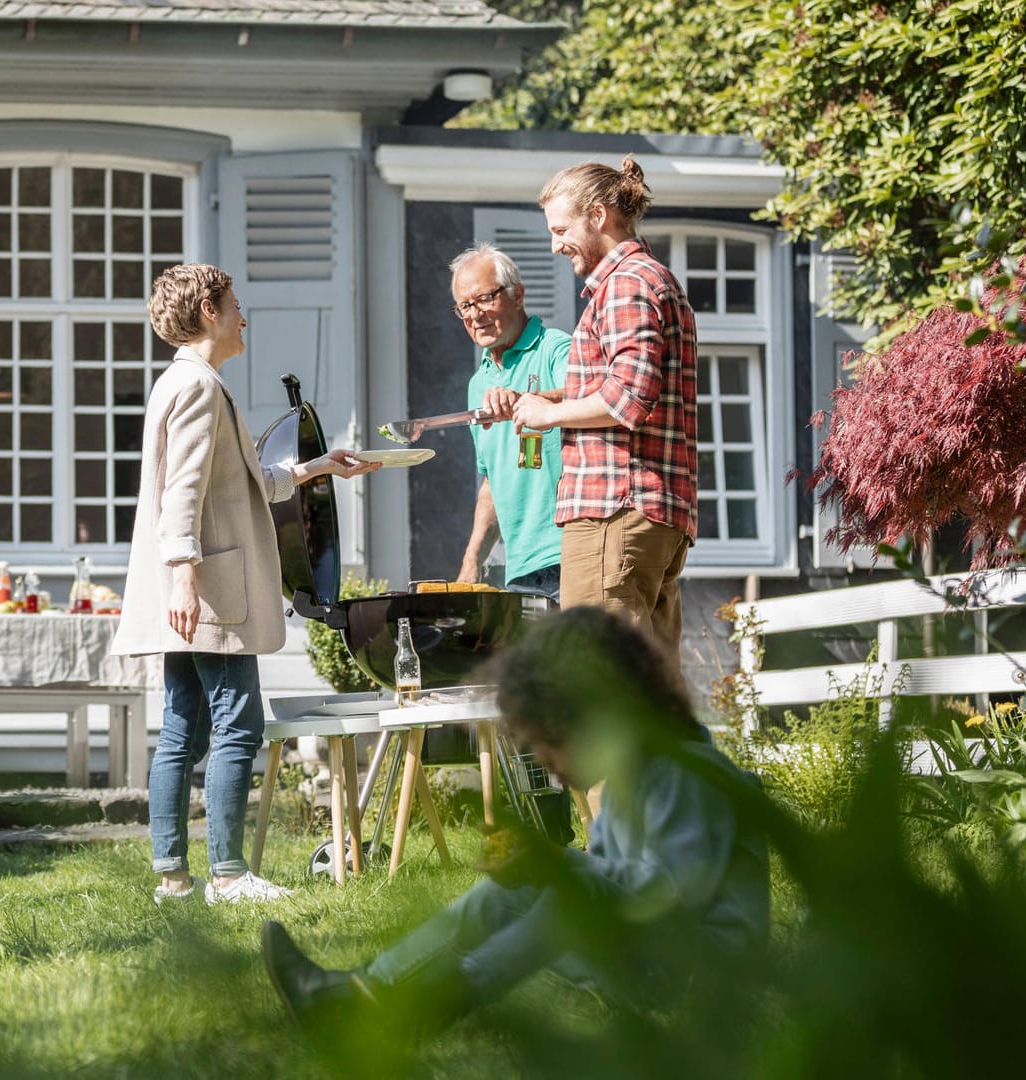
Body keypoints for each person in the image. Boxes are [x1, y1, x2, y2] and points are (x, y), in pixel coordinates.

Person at [262, 606, 770, 1061]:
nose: (548, 765)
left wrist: (563, 872)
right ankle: (362, 992)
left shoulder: (679, 776)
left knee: (565, 905)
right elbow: (618, 883)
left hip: (698, 979)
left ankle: (434, 1002)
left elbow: (659, 903)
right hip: (653, 958)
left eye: (547, 742)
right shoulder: (635, 775)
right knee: (516, 892)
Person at [112, 263, 378, 906]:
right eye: (235, 305)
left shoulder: (184, 381)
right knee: (238, 723)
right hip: (208, 585)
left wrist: (315, 468)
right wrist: (182, 579)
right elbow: (183, 494)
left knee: (182, 727)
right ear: (208, 309)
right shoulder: (200, 388)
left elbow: (244, 482)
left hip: (198, 582)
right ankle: (229, 876)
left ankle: (172, 877)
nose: (244, 316)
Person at [510, 156, 699, 658]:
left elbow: (628, 399)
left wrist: (549, 416)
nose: (555, 245)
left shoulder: (625, 284)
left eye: (561, 228)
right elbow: (629, 386)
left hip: (614, 509)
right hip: (650, 514)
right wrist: (541, 401)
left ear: (598, 216)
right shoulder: (652, 278)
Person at [449, 242, 571, 601]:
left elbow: (593, 394)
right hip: (520, 570)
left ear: (517, 295)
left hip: (573, 554)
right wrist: (473, 559)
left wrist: (526, 400)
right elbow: (493, 482)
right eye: (465, 306)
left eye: (485, 298)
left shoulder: (555, 348)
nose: (475, 314)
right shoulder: (478, 385)